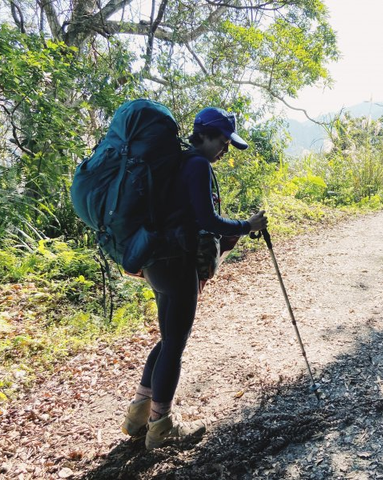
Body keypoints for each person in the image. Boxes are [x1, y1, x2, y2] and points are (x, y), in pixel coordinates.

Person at [120, 106, 268, 450]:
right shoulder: (198, 165)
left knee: (167, 337)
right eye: (222, 140)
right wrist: (248, 226)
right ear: (203, 135)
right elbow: (209, 219)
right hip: (177, 262)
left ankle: (137, 414)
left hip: (155, 261)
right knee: (175, 343)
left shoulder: (178, 162)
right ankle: (161, 424)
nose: (224, 149)